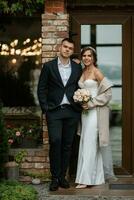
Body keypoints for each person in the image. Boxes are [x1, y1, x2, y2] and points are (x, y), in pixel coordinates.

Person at [37, 38, 82, 191]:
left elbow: (79, 87)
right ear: (59, 47)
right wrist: (45, 108)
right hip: (54, 111)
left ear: (71, 51)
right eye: (65, 47)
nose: (67, 49)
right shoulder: (48, 66)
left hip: (71, 111)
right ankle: (54, 177)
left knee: (67, 145)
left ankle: (62, 177)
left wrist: (81, 103)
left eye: (70, 48)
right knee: (56, 142)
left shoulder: (77, 68)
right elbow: (41, 88)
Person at [75, 46, 116, 188]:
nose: (87, 58)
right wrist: (80, 100)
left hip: (94, 114)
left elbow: (108, 93)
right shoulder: (82, 71)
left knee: (90, 144)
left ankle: (85, 180)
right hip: (85, 114)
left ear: (94, 58)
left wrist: (92, 103)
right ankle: (96, 178)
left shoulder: (97, 72)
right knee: (87, 143)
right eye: (84, 55)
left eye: (89, 56)